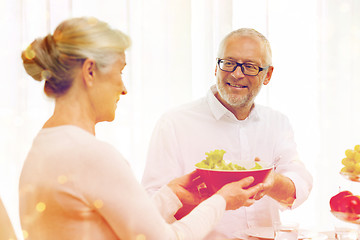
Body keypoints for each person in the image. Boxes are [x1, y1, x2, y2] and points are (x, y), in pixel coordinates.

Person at [19, 17, 264, 240]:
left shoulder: (46, 143)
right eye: (120, 72)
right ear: (90, 71)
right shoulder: (91, 155)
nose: (123, 88)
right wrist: (221, 200)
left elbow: (115, 225)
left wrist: (171, 196)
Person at [141, 28, 313, 238]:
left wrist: (271, 182)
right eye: (229, 63)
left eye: (249, 66)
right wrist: (210, 201)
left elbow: (299, 185)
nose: (237, 73)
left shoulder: (277, 123)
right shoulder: (174, 123)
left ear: (267, 75)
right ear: (216, 67)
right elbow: (153, 208)